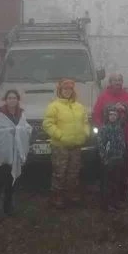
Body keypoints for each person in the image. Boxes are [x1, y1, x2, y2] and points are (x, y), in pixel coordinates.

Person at [43, 78, 90, 209]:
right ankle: (57, 197)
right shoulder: (53, 106)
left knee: (74, 172)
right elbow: (47, 124)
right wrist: (60, 136)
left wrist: (85, 133)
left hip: (76, 145)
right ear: (60, 90)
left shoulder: (79, 106)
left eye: (70, 89)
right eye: (65, 89)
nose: (67, 91)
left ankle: (71, 194)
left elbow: (85, 122)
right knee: (60, 172)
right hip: (60, 146)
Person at [92, 73, 128, 204]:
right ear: (110, 82)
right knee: (107, 171)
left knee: (122, 170)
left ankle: (121, 196)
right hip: (107, 141)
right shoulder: (103, 97)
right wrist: (103, 130)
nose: (117, 82)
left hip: (124, 140)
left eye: (119, 80)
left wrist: (125, 110)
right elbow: (96, 116)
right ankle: (106, 198)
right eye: (115, 80)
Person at [0, 89, 32, 221]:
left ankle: (7, 207)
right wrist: (8, 131)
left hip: (15, 153)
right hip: (2, 154)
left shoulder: (21, 113)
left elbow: (27, 128)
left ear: (18, 100)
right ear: (5, 100)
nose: (12, 100)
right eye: (9, 98)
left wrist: (20, 130)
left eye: (14, 98)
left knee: (11, 183)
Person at [97, 104, 127, 212]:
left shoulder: (119, 128)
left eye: (115, 114)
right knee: (107, 183)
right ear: (107, 116)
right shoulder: (104, 129)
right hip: (108, 160)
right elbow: (100, 145)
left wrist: (124, 107)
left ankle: (115, 202)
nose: (113, 116)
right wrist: (104, 158)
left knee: (116, 182)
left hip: (118, 158)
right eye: (110, 114)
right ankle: (106, 204)